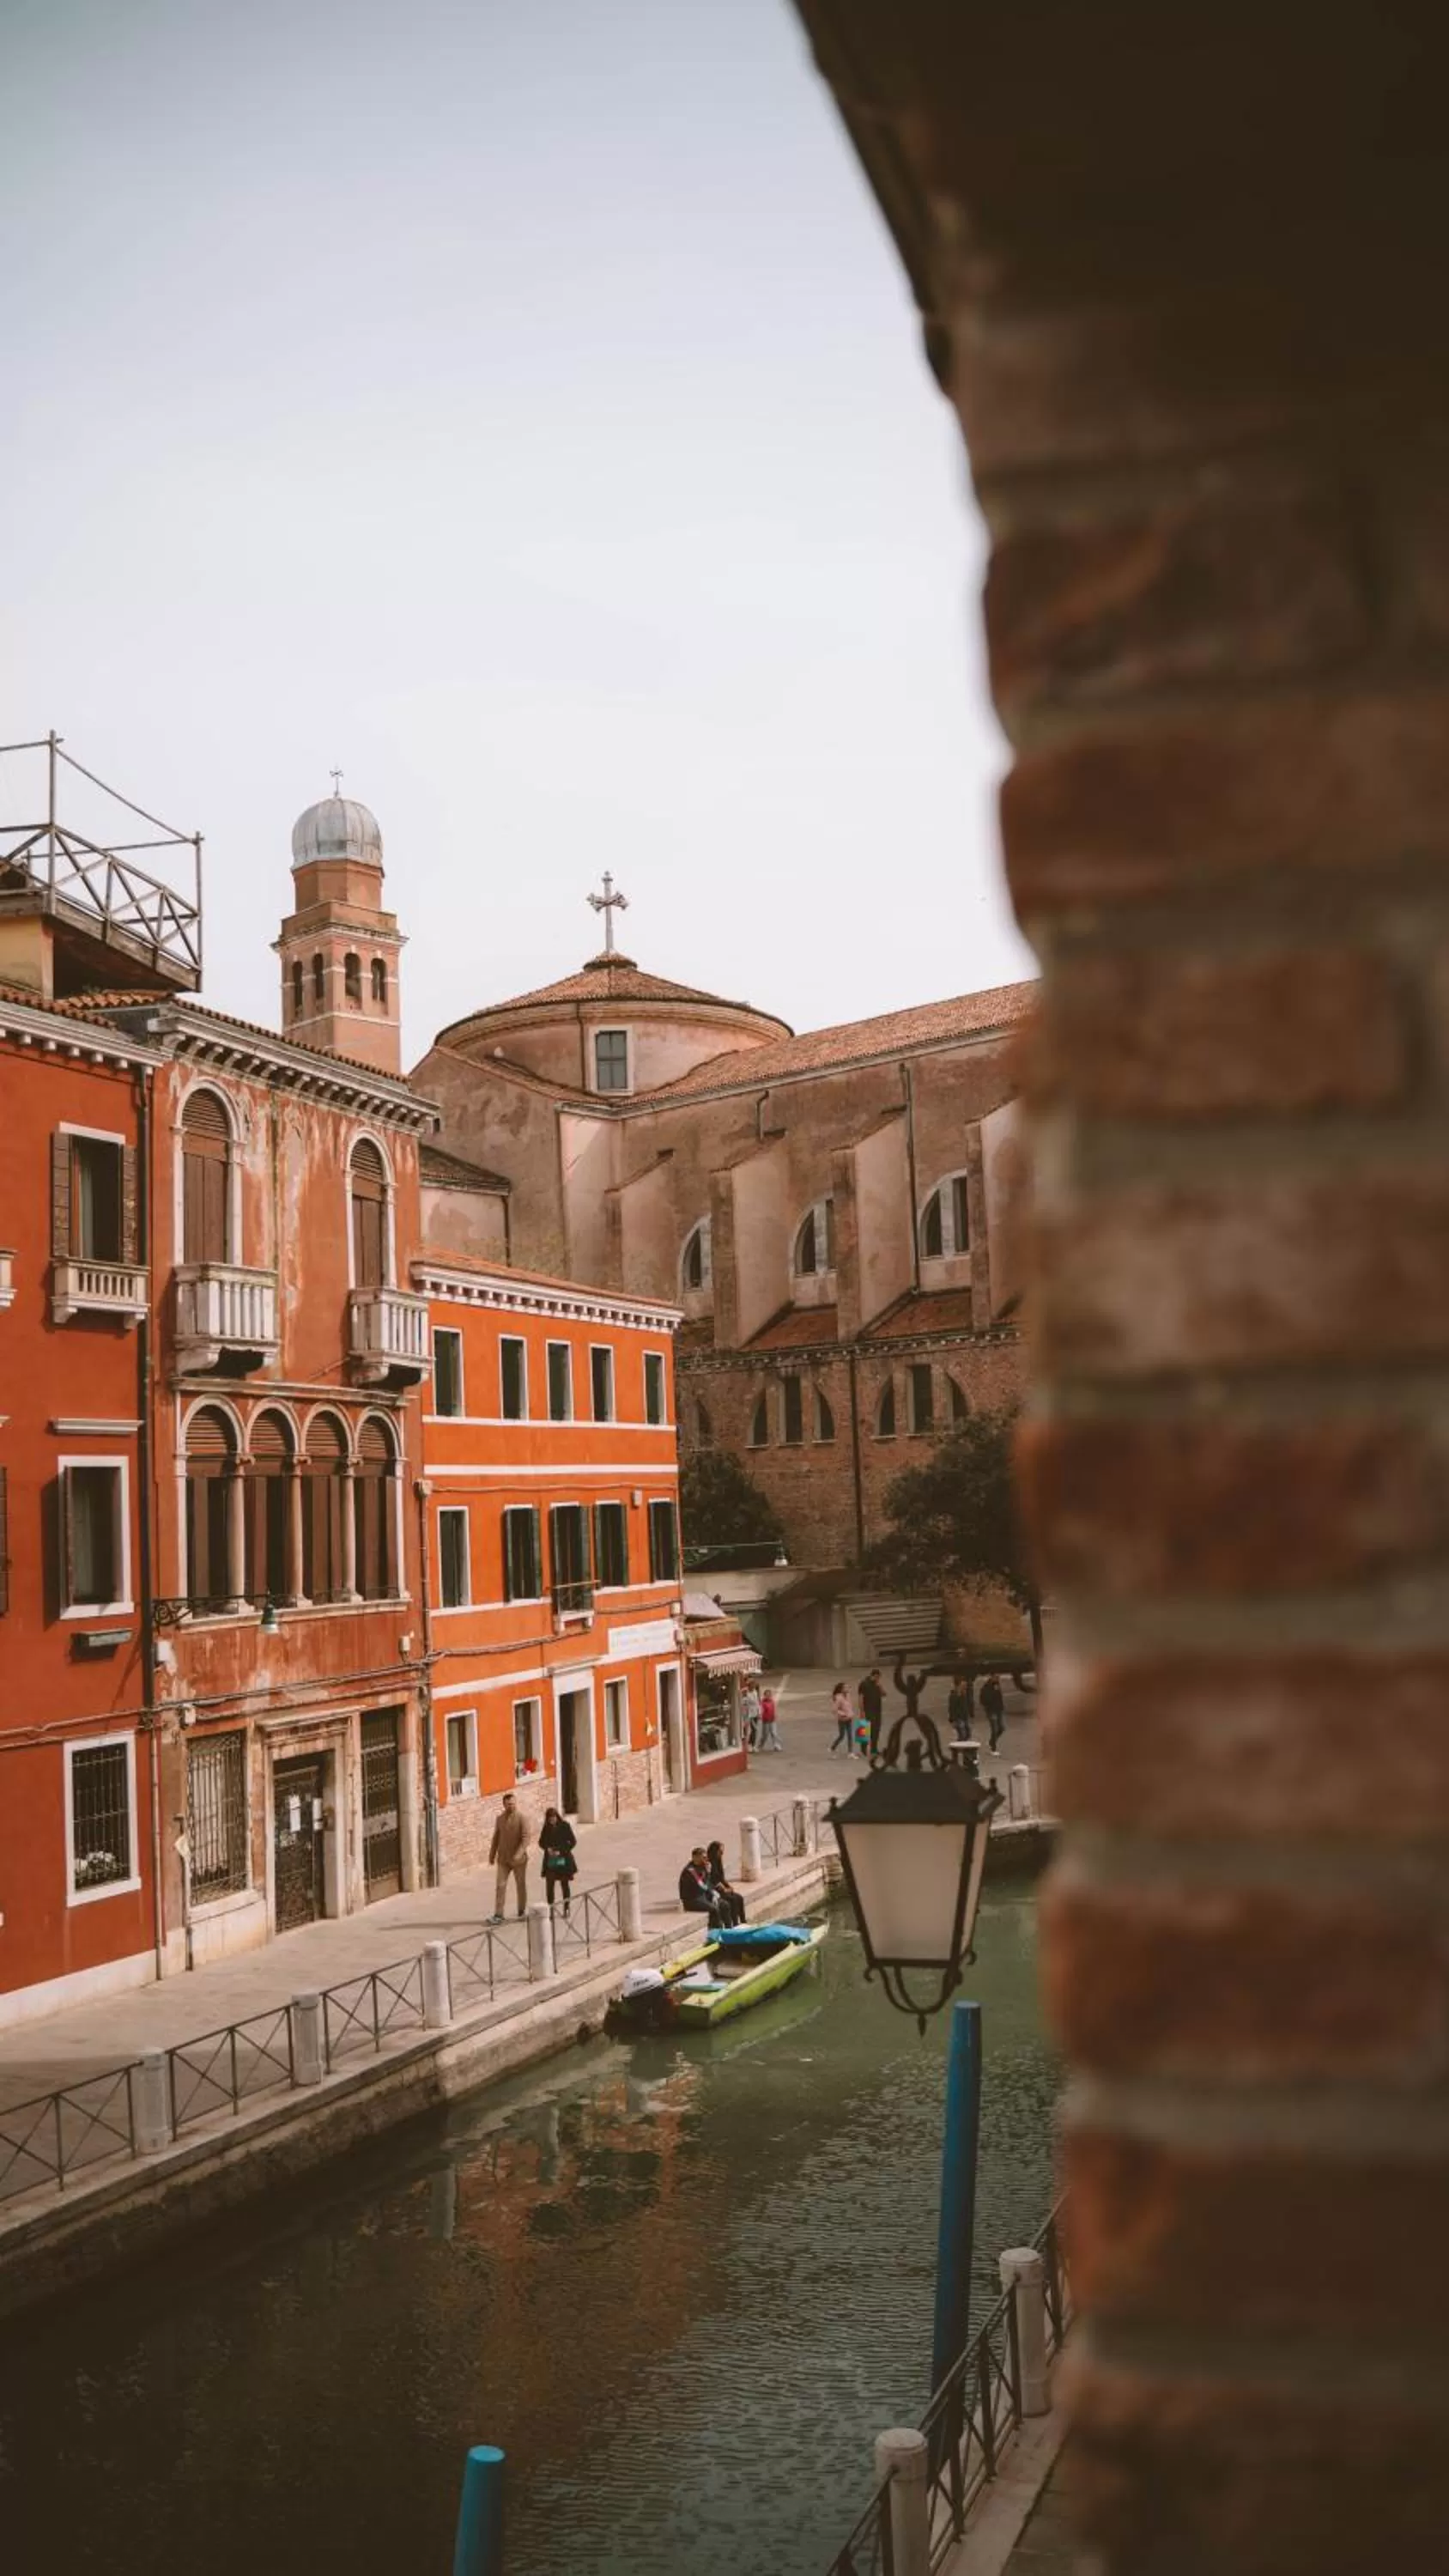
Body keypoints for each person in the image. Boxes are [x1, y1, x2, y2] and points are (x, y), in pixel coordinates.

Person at [488, 1790, 531, 1922]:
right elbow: (496, 1837)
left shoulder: (522, 1818)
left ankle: (522, 1911)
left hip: (519, 1860)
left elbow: (526, 1838)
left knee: (520, 1885)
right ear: (504, 1805)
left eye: (513, 1804)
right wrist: (492, 1854)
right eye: (508, 1804)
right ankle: (499, 1914)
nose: (511, 1806)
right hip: (503, 1859)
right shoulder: (500, 1819)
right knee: (500, 1886)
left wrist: (518, 1854)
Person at [539, 1805, 577, 1917]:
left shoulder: (565, 1826)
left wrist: (561, 1851)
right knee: (549, 1885)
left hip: (563, 1859)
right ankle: (550, 1908)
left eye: (553, 1817)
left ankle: (566, 1908)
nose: (552, 1820)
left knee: (564, 1884)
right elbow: (541, 1842)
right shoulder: (546, 1828)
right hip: (551, 1860)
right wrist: (548, 1848)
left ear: (557, 1816)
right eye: (549, 1818)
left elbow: (573, 1842)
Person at [679, 1845, 729, 1929]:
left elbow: (708, 1885)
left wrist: (713, 1894)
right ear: (695, 1858)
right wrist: (708, 1873)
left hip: (702, 1896)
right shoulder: (691, 1871)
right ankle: (715, 1931)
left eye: (706, 1857)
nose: (706, 1860)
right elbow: (702, 1886)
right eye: (703, 1857)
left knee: (724, 1905)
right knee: (714, 1909)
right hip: (692, 1900)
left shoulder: (702, 1867)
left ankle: (729, 1928)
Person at [706, 1839, 747, 1927]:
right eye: (720, 1852)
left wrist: (729, 1886)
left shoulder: (718, 1862)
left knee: (739, 1898)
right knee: (732, 1900)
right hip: (714, 1891)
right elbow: (712, 1881)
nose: (722, 1854)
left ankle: (743, 1921)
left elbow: (721, 1878)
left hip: (721, 1888)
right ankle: (735, 1923)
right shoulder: (709, 1864)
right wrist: (724, 1889)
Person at [858, 1666, 885, 1759]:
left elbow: (884, 1694)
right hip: (867, 1710)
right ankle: (863, 1749)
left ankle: (874, 1749)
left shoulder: (877, 1684)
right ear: (874, 1675)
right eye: (877, 1677)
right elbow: (861, 1698)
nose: (878, 1679)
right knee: (864, 1729)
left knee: (876, 1730)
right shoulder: (864, 1684)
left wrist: (880, 1686)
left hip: (877, 1710)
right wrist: (862, 1711)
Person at [981, 1673, 1006, 1753]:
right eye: (996, 1677)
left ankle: (991, 1741)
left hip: (998, 1709)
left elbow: (999, 1696)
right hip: (991, 1710)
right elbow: (984, 1699)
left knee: (1001, 1728)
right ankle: (993, 1748)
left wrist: (1001, 1706)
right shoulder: (986, 1687)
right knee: (994, 1729)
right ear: (992, 1677)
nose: (998, 1678)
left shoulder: (997, 1685)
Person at [829, 1680, 854, 1754]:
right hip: (842, 1719)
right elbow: (834, 1710)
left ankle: (850, 1752)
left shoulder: (848, 1696)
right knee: (842, 1736)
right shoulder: (838, 1698)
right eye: (846, 1687)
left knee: (850, 1735)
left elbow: (850, 1707)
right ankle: (833, 1747)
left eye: (848, 1687)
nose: (847, 1689)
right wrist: (843, 1715)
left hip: (849, 1718)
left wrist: (851, 1715)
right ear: (841, 1689)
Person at [948, 1674, 974, 1743]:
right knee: (962, 1735)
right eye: (963, 1684)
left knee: (967, 1734)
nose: (965, 1686)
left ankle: (961, 1748)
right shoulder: (954, 1695)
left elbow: (968, 1704)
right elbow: (952, 1708)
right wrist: (953, 1720)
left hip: (964, 1717)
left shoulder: (964, 1694)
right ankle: (960, 1748)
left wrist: (970, 1713)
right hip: (958, 1718)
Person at [757, 1686, 782, 1752]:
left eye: (769, 1695)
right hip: (766, 1721)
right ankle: (760, 1745)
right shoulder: (763, 1703)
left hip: (772, 1720)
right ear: (765, 1695)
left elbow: (774, 1710)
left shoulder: (772, 1701)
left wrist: (775, 1715)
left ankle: (776, 1745)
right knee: (765, 1735)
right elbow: (761, 1710)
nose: (768, 1696)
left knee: (774, 1733)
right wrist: (760, 1715)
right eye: (767, 1695)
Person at [741, 1680, 762, 1749]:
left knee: (754, 1730)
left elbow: (758, 1703)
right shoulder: (746, 1693)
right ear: (749, 1686)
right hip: (749, 1714)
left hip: (755, 1713)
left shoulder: (755, 1692)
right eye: (752, 1686)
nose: (753, 1687)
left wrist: (759, 1713)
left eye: (754, 1686)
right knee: (753, 1729)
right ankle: (749, 1744)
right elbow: (743, 1701)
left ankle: (752, 1745)